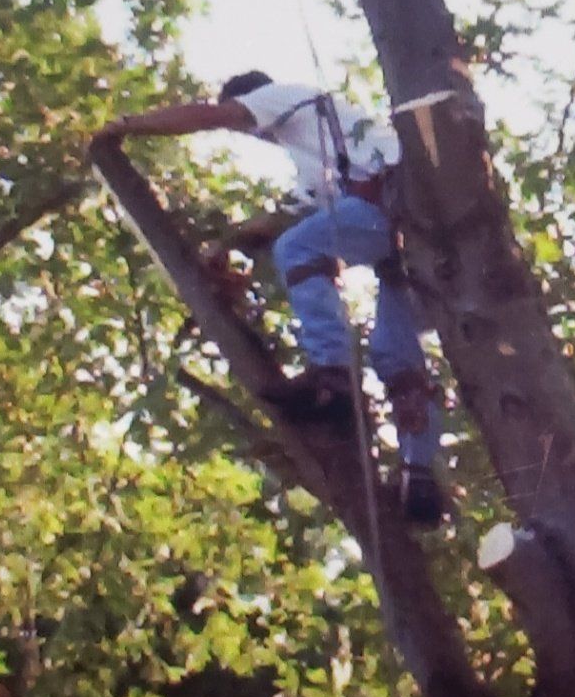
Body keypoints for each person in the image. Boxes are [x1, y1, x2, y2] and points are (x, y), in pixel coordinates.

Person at [94, 71, 446, 525]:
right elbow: (279, 220)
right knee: (394, 354)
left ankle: (333, 372)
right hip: (409, 240)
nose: (247, 129)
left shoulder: (282, 97)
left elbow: (209, 116)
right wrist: (224, 249)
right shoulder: (310, 159)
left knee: (297, 247)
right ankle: (419, 478)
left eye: (243, 120)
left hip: (395, 208)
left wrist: (127, 125)